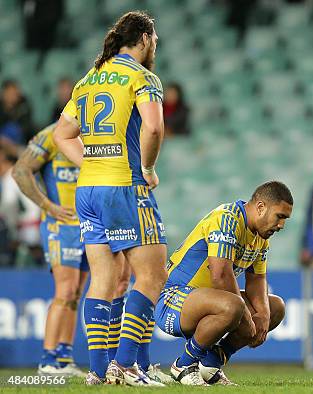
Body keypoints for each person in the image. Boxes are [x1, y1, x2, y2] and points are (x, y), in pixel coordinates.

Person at [53, 11, 169, 386]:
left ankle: (99, 372)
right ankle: (127, 365)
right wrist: (148, 168)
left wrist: (93, 161)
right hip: (124, 186)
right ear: (146, 37)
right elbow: (153, 126)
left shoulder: (88, 80)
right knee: (152, 276)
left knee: (103, 280)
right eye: (155, 40)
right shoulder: (141, 76)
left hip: (88, 189)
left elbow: (61, 136)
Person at [155, 181, 291, 386]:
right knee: (235, 305)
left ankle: (211, 364)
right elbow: (220, 275)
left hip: (210, 300)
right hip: (173, 300)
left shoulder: (261, 237)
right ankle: (183, 364)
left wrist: (262, 314)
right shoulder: (227, 218)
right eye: (279, 216)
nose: (281, 225)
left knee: (276, 308)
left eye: (285, 219)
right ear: (261, 207)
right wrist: (246, 317)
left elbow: (257, 279)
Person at [12, 123, 87, 377]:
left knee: (76, 293)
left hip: (89, 226)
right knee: (65, 290)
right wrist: (47, 205)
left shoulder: (96, 135)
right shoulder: (52, 135)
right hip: (61, 226)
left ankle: (64, 357)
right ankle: (48, 358)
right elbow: (21, 171)